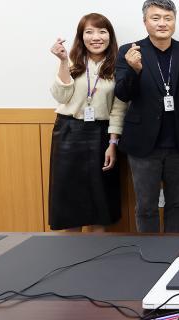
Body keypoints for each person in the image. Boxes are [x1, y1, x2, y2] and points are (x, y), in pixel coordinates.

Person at [115, 0, 179, 233]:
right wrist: (134, 70)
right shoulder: (130, 51)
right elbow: (122, 94)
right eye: (155, 18)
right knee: (146, 206)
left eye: (168, 18)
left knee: (178, 204)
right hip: (143, 144)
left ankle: (174, 251)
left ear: (175, 21)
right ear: (145, 21)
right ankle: (149, 252)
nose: (162, 23)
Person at [48, 13, 126, 231]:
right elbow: (61, 96)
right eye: (89, 32)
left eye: (102, 31)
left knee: (100, 205)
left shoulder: (118, 65)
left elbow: (119, 108)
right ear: (81, 37)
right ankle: (72, 251)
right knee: (69, 206)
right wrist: (63, 61)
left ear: (110, 36)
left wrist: (113, 143)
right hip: (68, 132)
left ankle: (98, 252)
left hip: (102, 134)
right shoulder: (71, 61)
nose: (96, 37)